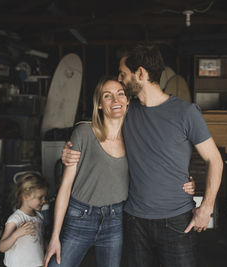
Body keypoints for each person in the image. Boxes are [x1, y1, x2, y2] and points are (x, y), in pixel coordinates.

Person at [62, 43, 223, 267]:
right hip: (134, 221)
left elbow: (214, 160)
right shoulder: (127, 112)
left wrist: (206, 207)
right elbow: (95, 130)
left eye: (123, 74)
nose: (119, 79)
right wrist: (69, 151)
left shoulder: (186, 112)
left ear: (140, 74)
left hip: (177, 221)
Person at [43, 76, 195, 267]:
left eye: (120, 94)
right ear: (99, 104)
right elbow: (65, 188)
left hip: (115, 220)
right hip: (80, 216)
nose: (115, 100)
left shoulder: (135, 136)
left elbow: (158, 167)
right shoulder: (84, 133)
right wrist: (54, 236)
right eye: (107, 96)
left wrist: (186, 183)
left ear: (127, 101)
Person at [0, 172, 48, 267]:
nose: (44, 201)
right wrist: (16, 234)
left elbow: (39, 238)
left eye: (45, 197)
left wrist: (48, 247)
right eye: (40, 197)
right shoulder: (15, 219)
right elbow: (2, 247)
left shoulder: (39, 217)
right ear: (25, 196)